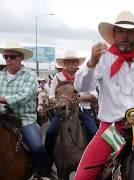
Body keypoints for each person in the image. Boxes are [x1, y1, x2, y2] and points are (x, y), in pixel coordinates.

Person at [73, 10, 134, 179]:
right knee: (82, 177)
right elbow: (82, 86)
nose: (125, 35)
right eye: (120, 31)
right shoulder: (103, 59)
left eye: (130, 32)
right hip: (113, 130)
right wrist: (92, 62)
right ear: (114, 34)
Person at [0, 42, 51, 178]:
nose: (8, 60)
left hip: (24, 119)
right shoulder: (0, 75)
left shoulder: (30, 75)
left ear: (20, 58)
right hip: (2, 116)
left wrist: (4, 99)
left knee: (37, 147)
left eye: (12, 57)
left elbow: (25, 95)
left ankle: (43, 174)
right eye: (6, 57)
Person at [45, 50, 98, 167]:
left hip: (82, 110)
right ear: (64, 64)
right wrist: (56, 101)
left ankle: (95, 160)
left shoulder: (84, 76)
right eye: (68, 62)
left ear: (78, 63)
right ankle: (47, 161)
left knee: (94, 132)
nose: (71, 64)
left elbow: (94, 94)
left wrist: (81, 98)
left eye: (73, 61)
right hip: (63, 111)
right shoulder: (57, 77)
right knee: (50, 133)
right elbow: (51, 94)